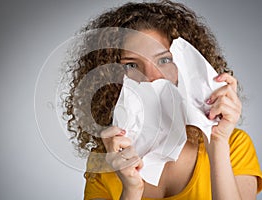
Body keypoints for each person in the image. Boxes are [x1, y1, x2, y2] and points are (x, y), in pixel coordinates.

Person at [63, 0, 262, 199]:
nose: (152, 77)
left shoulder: (233, 145)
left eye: (165, 60)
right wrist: (131, 189)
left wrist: (216, 142)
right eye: (131, 65)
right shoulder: (107, 158)